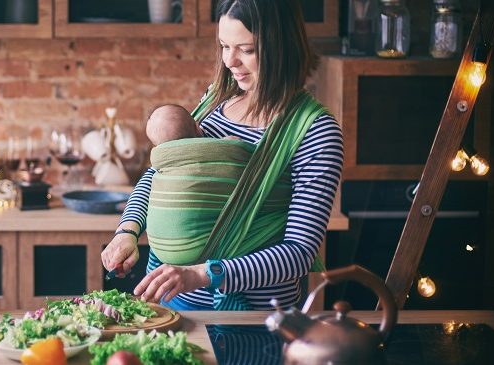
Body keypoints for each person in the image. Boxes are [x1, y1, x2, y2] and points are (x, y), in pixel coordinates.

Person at [101, 0, 344, 311]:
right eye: (224, 46)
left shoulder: (314, 131)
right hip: (169, 306)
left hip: (253, 320)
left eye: (247, 49)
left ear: (281, 46)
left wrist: (202, 275)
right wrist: (127, 231)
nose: (230, 61)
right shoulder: (216, 97)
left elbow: (298, 253)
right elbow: (160, 172)